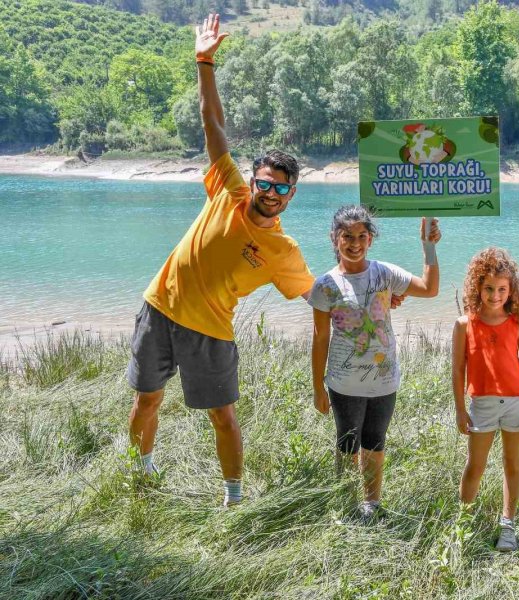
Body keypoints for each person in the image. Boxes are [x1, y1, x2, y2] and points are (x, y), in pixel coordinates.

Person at [126, 14, 320, 507]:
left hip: (211, 333)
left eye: (281, 187)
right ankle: (140, 478)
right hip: (158, 309)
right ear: (252, 181)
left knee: (222, 416)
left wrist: (377, 287)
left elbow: (316, 293)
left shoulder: (283, 252)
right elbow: (213, 123)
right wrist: (205, 60)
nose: (270, 192)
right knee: (146, 400)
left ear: (291, 195)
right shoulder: (228, 191)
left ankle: (234, 497)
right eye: (265, 182)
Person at [310, 206, 441, 521]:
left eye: (361, 236)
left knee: (374, 443)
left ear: (370, 239)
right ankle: (344, 500)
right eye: (347, 237)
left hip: (384, 380)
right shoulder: (325, 285)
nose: (354, 243)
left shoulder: (384, 273)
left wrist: (429, 246)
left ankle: (372, 504)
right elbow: (319, 339)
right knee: (346, 444)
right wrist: (317, 386)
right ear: (334, 238)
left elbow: (430, 289)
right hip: (343, 383)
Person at [452, 248, 519, 552]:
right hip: (481, 404)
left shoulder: (517, 324)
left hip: (516, 402)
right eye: (489, 288)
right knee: (475, 465)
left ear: (510, 291)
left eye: (502, 289)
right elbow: (458, 368)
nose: (494, 295)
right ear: (478, 287)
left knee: (512, 464)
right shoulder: (465, 323)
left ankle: (508, 525)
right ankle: (462, 522)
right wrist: (460, 410)